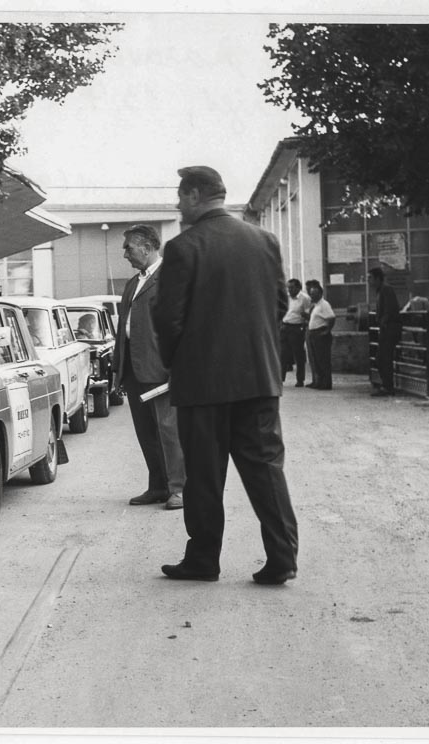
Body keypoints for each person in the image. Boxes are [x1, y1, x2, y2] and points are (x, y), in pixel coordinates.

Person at [152, 165, 298, 585]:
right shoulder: (265, 241)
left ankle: (203, 559)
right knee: (266, 469)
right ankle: (282, 558)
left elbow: (168, 319)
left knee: (203, 475)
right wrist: (255, 347)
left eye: (181, 197)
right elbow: (280, 304)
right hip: (258, 380)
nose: (178, 205)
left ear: (195, 195)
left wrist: (176, 363)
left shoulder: (183, 247)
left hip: (202, 385)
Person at [113, 224, 185, 511]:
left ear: (146, 247)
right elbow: (123, 328)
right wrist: (119, 369)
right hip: (134, 371)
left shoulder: (172, 278)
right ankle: (158, 486)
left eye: (128, 248)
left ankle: (179, 489)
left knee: (169, 432)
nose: (125, 254)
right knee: (147, 433)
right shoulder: (133, 283)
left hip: (161, 371)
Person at [369, 267, 401, 397]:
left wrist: (383, 322)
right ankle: (387, 385)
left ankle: (388, 387)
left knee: (383, 358)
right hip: (386, 328)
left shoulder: (386, 290)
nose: (369, 281)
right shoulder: (381, 290)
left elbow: (389, 309)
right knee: (381, 358)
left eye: (370, 278)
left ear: (377, 278)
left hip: (389, 328)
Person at [280, 278, 311, 387]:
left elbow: (308, 314)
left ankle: (300, 380)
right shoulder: (286, 297)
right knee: (282, 354)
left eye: (292, 287)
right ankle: (280, 379)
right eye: (288, 287)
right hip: (285, 327)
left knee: (298, 355)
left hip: (297, 328)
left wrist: (304, 322)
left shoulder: (305, 298)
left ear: (299, 287)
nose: (290, 290)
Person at [306, 279, 336, 390]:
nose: (312, 296)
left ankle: (326, 383)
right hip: (313, 334)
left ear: (320, 294)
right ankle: (319, 381)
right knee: (316, 360)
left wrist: (327, 330)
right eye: (311, 294)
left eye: (314, 294)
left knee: (323, 360)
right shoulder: (316, 305)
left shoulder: (324, 304)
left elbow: (331, 317)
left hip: (320, 334)